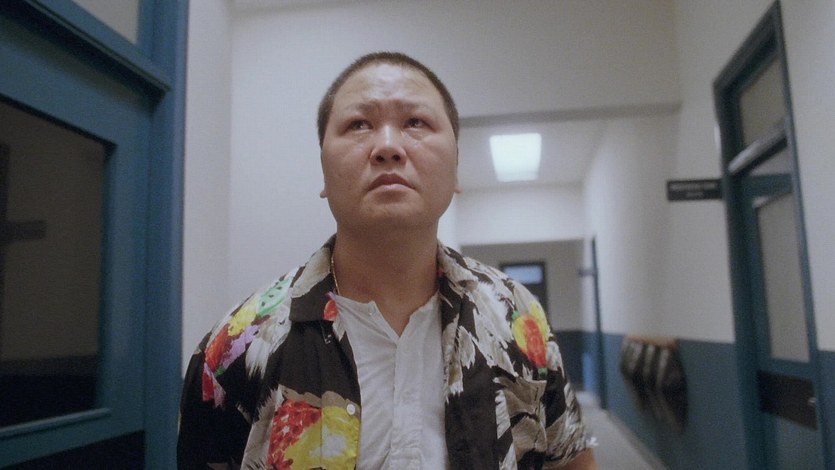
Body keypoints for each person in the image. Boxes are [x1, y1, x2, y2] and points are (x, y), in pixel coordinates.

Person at [178, 51, 597, 469]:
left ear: (456, 167)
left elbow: (571, 459)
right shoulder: (237, 346)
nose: (388, 147)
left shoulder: (518, 319)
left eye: (416, 122)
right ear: (323, 170)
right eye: (359, 125)